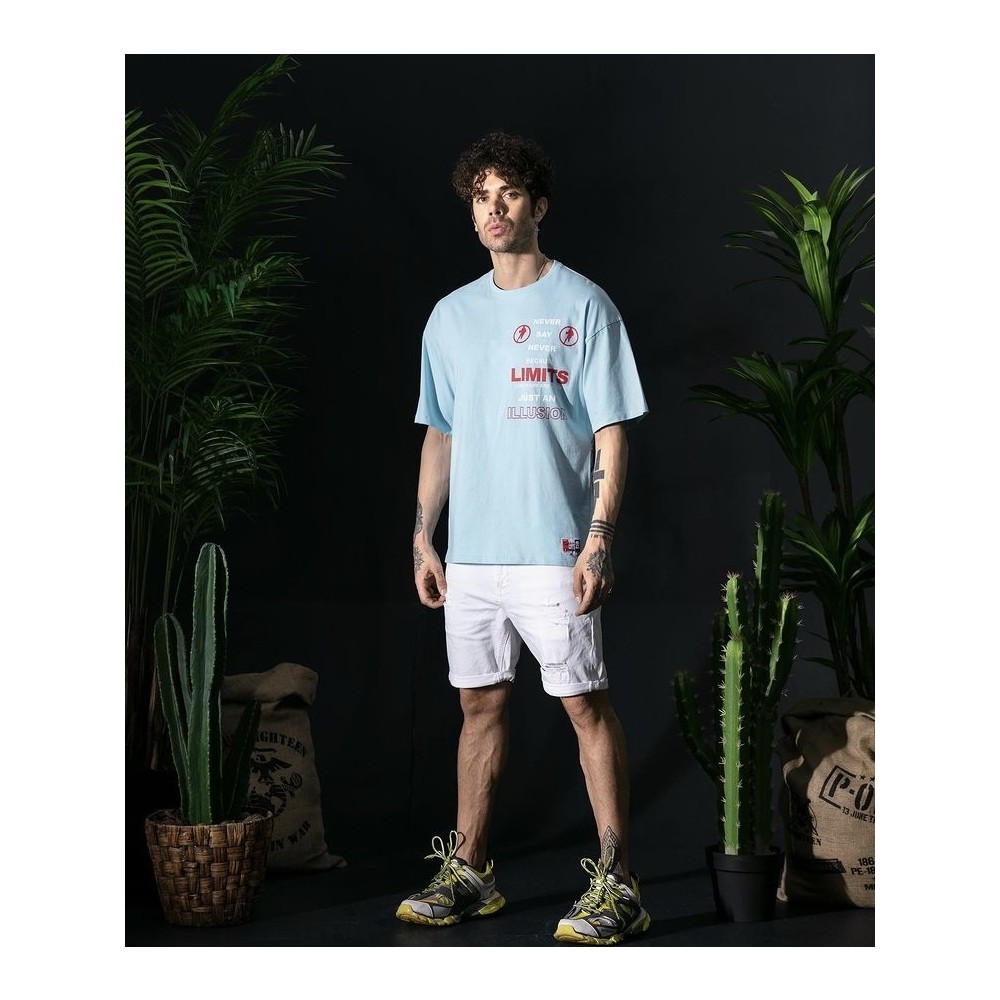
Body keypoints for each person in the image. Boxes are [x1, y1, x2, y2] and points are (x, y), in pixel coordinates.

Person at [397, 130, 650, 945]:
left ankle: (619, 884)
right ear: (471, 212)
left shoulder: (584, 305)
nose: (494, 207)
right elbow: (441, 433)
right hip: (472, 556)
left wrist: (600, 538)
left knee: (583, 704)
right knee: (478, 705)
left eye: (507, 193)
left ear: (538, 205)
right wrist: (424, 537)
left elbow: (611, 433)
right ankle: (471, 871)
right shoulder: (450, 317)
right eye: (481, 196)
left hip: (555, 550)